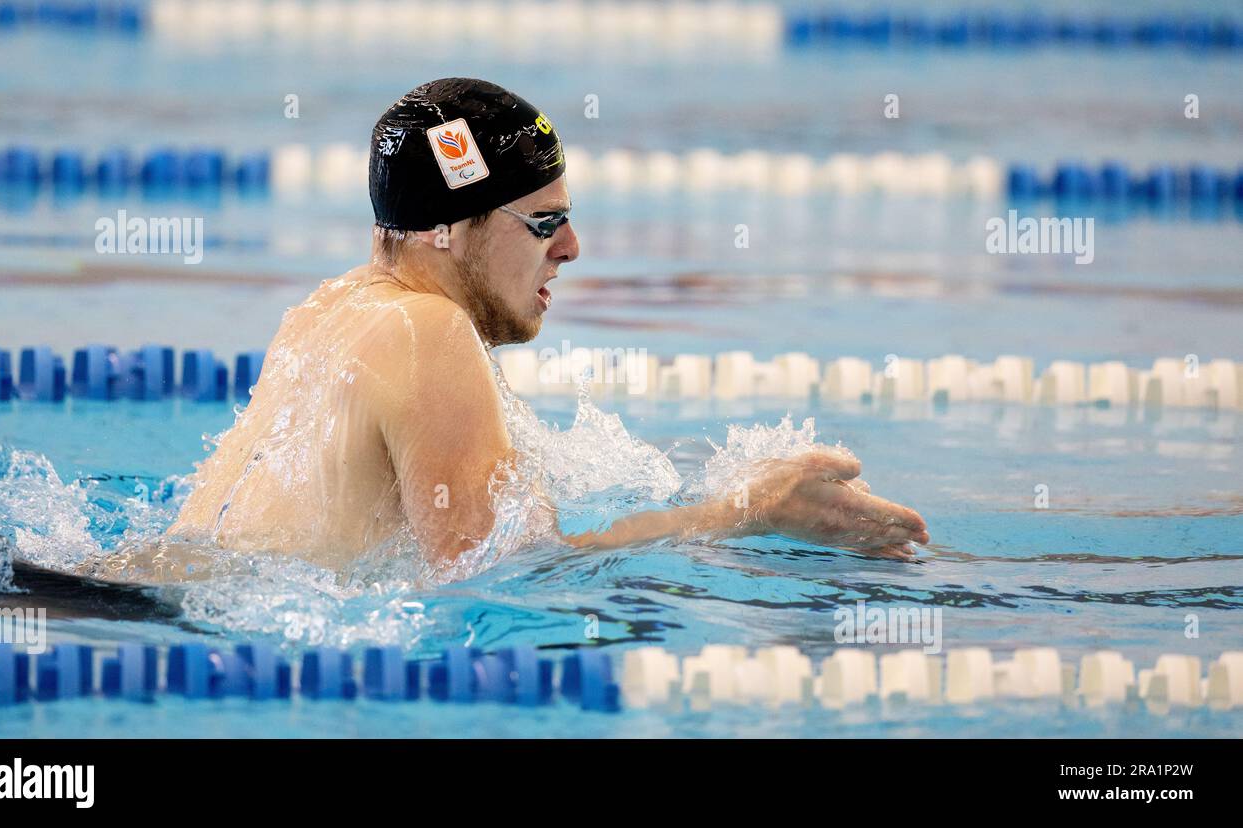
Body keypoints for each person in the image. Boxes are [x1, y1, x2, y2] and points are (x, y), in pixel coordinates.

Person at [164, 78, 928, 577]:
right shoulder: (426, 332)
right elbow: (503, 573)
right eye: (544, 222)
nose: (570, 248)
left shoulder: (332, 309)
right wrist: (746, 513)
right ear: (448, 227)